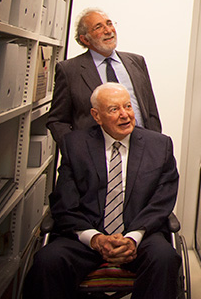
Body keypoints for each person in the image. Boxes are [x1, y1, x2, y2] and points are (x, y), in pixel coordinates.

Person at [24, 83, 180, 299]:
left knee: (165, 258)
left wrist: (133, 238)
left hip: (139, 235)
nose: (125, 115)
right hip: (87, 236)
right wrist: (95, 239)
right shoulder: (74, 144)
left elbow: (162, 201)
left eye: (127, 106)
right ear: (96, 116)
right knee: (47, 260)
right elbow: (64, 202)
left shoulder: (159, 145)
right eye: (114, 109)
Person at [47, 8, 162, 146]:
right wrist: (74, 150)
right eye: (98, 27)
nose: (108, 31)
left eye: (109, 23)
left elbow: (151, 110)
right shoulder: (69, 70)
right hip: (94, 154)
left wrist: (155, 145)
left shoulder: (136, 62)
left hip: (139, 147)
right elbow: (57, 120)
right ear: (85, 39)